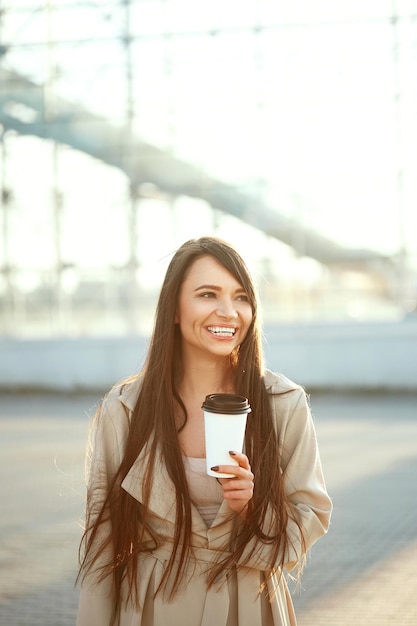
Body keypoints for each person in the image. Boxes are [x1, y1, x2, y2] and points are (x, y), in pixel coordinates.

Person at [76, 236, 332, 626]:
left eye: (241, 297)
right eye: (208, 294)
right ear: (174, 309)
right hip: (151, 607)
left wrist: (252, 508)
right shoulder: (124, 410)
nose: (228, 312)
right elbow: (102, 545)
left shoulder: (283, 403)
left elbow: (310, 516)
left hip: (250, 605)